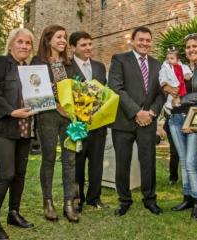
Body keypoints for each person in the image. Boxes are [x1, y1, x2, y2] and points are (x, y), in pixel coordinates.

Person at [0, 28, 35, 239]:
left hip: (25, 127)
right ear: (11, 44)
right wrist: (11, 111)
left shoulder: (30, 69)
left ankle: (14, 213)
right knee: (6, 174)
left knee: (20, 174)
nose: (24, 46)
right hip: (4, 126)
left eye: (28, 43)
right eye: (20, 42)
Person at [108, 26, 165, 216]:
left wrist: (151, 112)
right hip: (123, 122)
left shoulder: (158, 65)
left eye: (148, 40)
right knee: (122, 162)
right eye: (141, 40)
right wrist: (136, 112)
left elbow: (161, 93)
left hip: (148, 121)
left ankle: (149, 199)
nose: (145, 43)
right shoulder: (119, 59)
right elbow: (116, 87)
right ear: (132, 40)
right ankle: (124, 200)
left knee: (148, 162)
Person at [31, 25, 79, 223]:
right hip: (47, 116)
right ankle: (47, 202)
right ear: (47, 39)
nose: (63, 41)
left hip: (70, 119)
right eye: (59, 37)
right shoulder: (37, 62)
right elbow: (33, 92)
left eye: (65, 37)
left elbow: (77, 88)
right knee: (49, 159)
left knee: (69, 160)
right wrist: (57, 105)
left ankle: (68, 203)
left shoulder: (69, 63)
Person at [164, 33, 197, 220]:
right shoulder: (178, 68)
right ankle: (187, 198)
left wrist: (183, 99)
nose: (191, 50)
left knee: (192, 161)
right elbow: (167, 85)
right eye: (188, 47)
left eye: (195, 46)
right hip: (176, 117)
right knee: (184, 161)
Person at [69, 31, 108, 213]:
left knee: (97, 162)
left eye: (90, 44)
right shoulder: (67, 68)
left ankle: (94, 198)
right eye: (83, 45)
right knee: (77, 163)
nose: (88, 48)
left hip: (98, 124)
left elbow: (105, 93)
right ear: (73, 47)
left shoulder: (100, 67)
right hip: (77, 125)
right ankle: (77, 199)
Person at [159, 47, 192, 114]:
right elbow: (162, 75)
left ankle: (172, 103)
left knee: (179, 94)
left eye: (172, 58)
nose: (169, 60)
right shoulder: (165, 67)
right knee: (171, 94)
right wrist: (164, 82)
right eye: (167, 58)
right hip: (171, 83)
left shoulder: (182, 66)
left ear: (178, 60)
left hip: (180, 83)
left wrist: (187, 75)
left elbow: (186, 70)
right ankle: (168, 104)